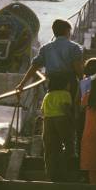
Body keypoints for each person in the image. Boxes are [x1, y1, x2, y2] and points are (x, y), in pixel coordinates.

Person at [15, 19, 84, 151]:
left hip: (52, 86)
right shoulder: (74, 48)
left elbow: (34, 66)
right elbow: (78, 70)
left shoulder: (46, 48)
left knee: (52, 121)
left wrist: (22, 84)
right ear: (67, 31)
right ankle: (71, 151)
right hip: (69, 86)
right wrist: (84, 82)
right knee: (70, 118)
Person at [41, 73, 74, 182]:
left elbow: (42, 111)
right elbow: (65, 108)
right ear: (64, 84)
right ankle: (65, 170)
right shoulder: (65, 94)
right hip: (61, 119)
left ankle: (50, 174)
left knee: (50, 148)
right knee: (68, 144)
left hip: (48, 121)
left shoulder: (47, 95)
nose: (69, 85)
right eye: (68, 83)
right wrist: (71, 121)